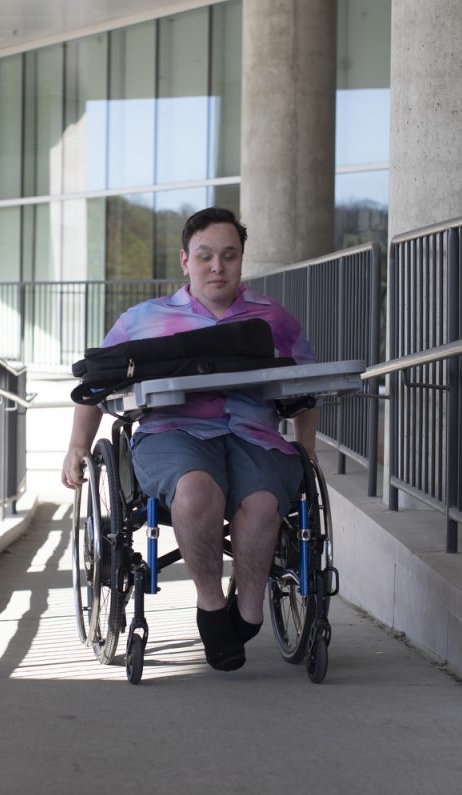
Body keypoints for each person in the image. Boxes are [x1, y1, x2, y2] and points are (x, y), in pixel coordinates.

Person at [61, 207, 319, 672]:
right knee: (198, 489)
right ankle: (210, 605)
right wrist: (78, 446)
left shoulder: (272, 318)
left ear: (241, 260)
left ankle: (249, 611)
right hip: (172, 432)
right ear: (185, 261)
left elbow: (308, 386)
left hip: (253, 434)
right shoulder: (146, 319)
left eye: (228, 255)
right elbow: (96, 385)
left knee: (262, 504)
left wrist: (309, 451)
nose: (217, 266)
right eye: (205, 257)